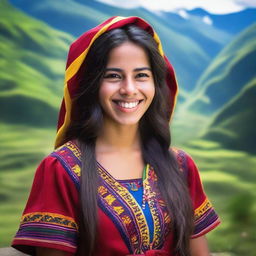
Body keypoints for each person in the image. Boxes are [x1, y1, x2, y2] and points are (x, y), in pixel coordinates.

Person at [12, 16, 220, 256]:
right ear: (92, 84)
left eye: (141, 75)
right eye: (113, 76)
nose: (129, 89)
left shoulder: (180, 165)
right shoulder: (60, 170)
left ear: (156, 84)